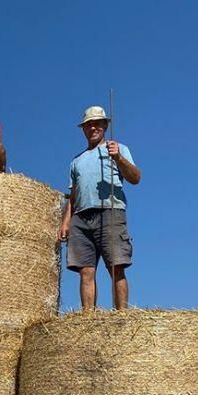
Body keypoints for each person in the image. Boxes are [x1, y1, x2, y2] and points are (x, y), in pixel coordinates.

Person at [59, 105, 141, 310]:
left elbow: (135, 178)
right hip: (81, 217)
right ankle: (88, 318)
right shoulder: (76, 160)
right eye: (88, 125)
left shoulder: (118, 148)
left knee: (116, 266)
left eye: (97, 124)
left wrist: (118, 158)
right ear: (83, 129)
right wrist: (66, 221)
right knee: (85, 271)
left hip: (110, 211)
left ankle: (121, 315)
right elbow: (74, 194)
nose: (93, 128)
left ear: (105, 125)